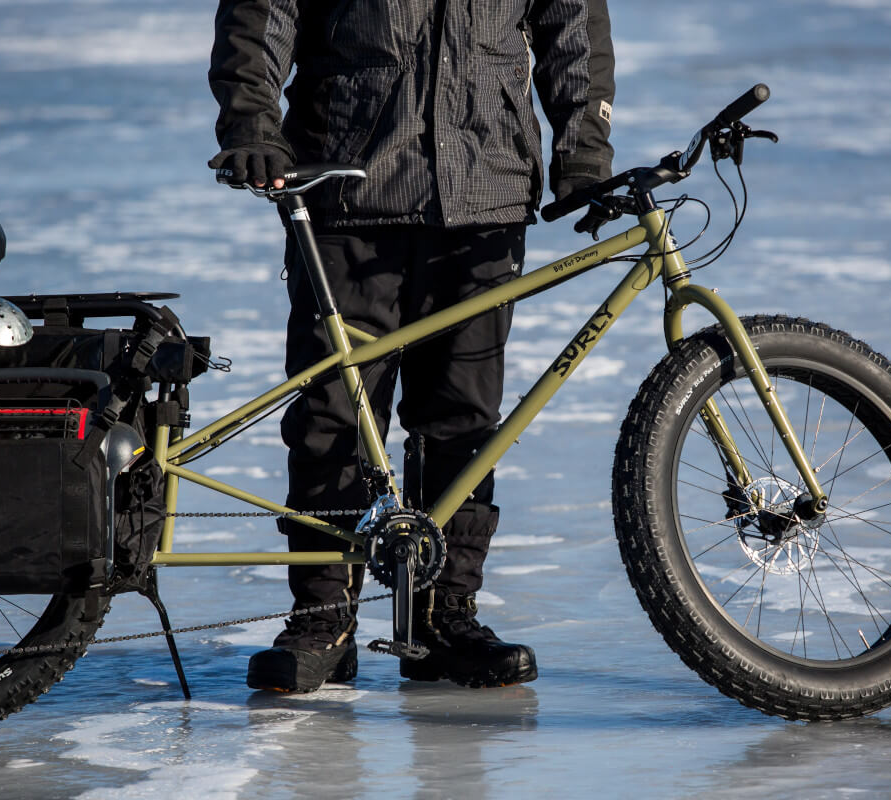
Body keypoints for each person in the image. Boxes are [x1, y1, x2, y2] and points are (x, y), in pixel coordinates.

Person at [208, 0, 615, 691]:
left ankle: (442, 615)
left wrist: (584, 149)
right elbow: (263, 14)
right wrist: (253, 123)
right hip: (346, 187)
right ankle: (324, 618)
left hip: (486, 193)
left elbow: (571, 27)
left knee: (464, 419)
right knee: (333, 415)